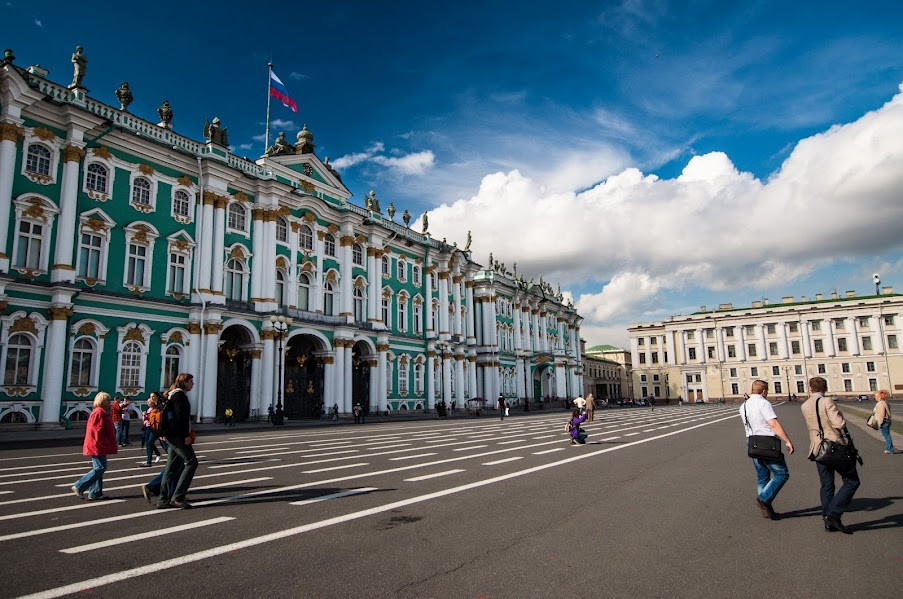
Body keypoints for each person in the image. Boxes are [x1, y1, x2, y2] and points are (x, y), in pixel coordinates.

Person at [801, 376, 860, 534]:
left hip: (817, 449)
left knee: (826, 484)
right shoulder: (827, 401)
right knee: (851, 482)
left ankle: (827, 519)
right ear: (824, 388)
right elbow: (839, 424)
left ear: (810, 388)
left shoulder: (805, 404)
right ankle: (833, 515)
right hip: (835, 447)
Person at [740, 380, 794, 520]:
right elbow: (773, 424)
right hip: (767, 443)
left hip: (752, 443)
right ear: (763, 391)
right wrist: (787, 440)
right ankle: (764, 499)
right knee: (782, 474)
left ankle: (766, 509)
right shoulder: (763, 403)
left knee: (762, 477)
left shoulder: (744, 405)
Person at [157, 373, 198, 510]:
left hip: (171, 436)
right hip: (177, 437)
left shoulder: (173, 395)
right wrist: (185, 435)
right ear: (185, 382)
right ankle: (178, 497)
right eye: (191, 381)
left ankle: (164, 499)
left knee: (170, 468)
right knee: (191, 463)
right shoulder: (180, 396)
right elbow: (180, 418)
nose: (193, 384)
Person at [71, 392, 117, 501]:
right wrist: (103, 442)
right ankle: (79, 485)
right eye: (107, 400)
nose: (109, 402)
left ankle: (95, 492)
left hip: (97, 444)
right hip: (97, 445)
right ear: (102, 401)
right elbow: (97, 430)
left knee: (98, 468)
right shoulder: (99, 413)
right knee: (100, 468)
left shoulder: (99, 412)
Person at [141, 392, 166, 467]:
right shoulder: (152, 408)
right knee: (149, 443)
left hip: (157, 427)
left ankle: (176, 457)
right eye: (151, 396)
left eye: (153, 396)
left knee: (163, 443)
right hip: (151, 427)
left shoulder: (160, 405)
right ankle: (149, 461)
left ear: (157, 397)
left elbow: (160, 416)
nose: (152, 398)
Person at [874, 390, 895, 454]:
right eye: (875, 396)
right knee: (887, 435)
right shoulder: (885, 402)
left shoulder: (880, 404)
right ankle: (889, 448)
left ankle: (889, 449)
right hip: (887, 420)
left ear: (880, 397)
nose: (875, 397)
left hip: (884, 421)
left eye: (877, 396)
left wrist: (880, 423)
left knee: (886, 436)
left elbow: (881, 414)